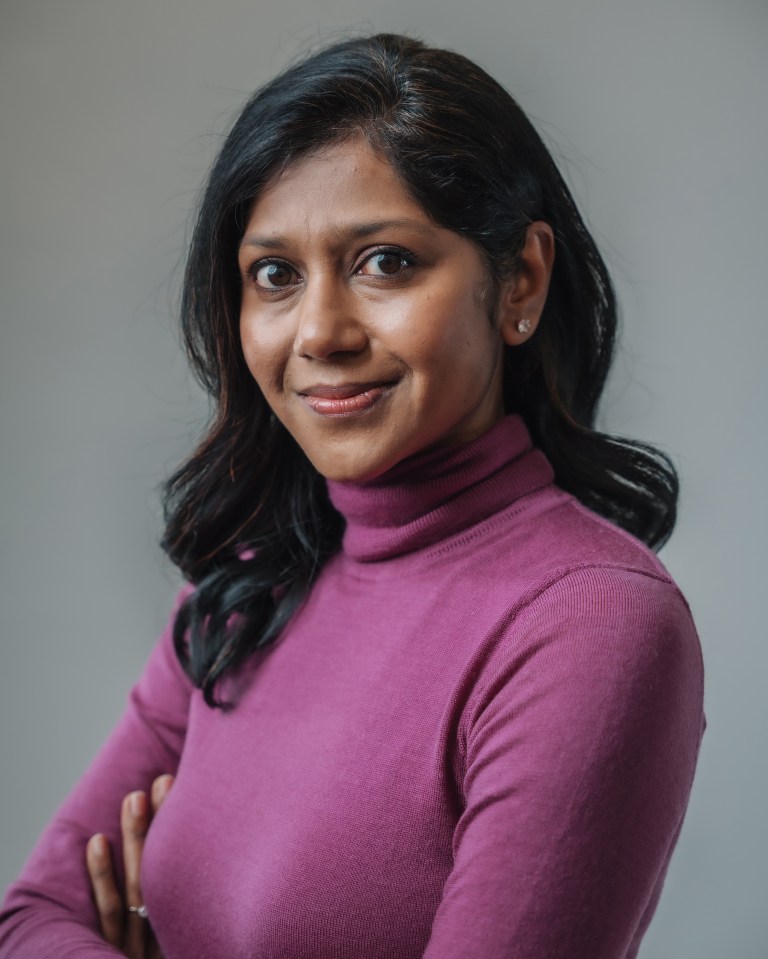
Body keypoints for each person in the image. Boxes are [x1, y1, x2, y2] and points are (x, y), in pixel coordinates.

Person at [0, 32, 705, 959]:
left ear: (520, 279)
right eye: (275, 275)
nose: (321, 331)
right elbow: (30, 920)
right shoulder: (246, 588)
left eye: (385, 262)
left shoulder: (589, 622)